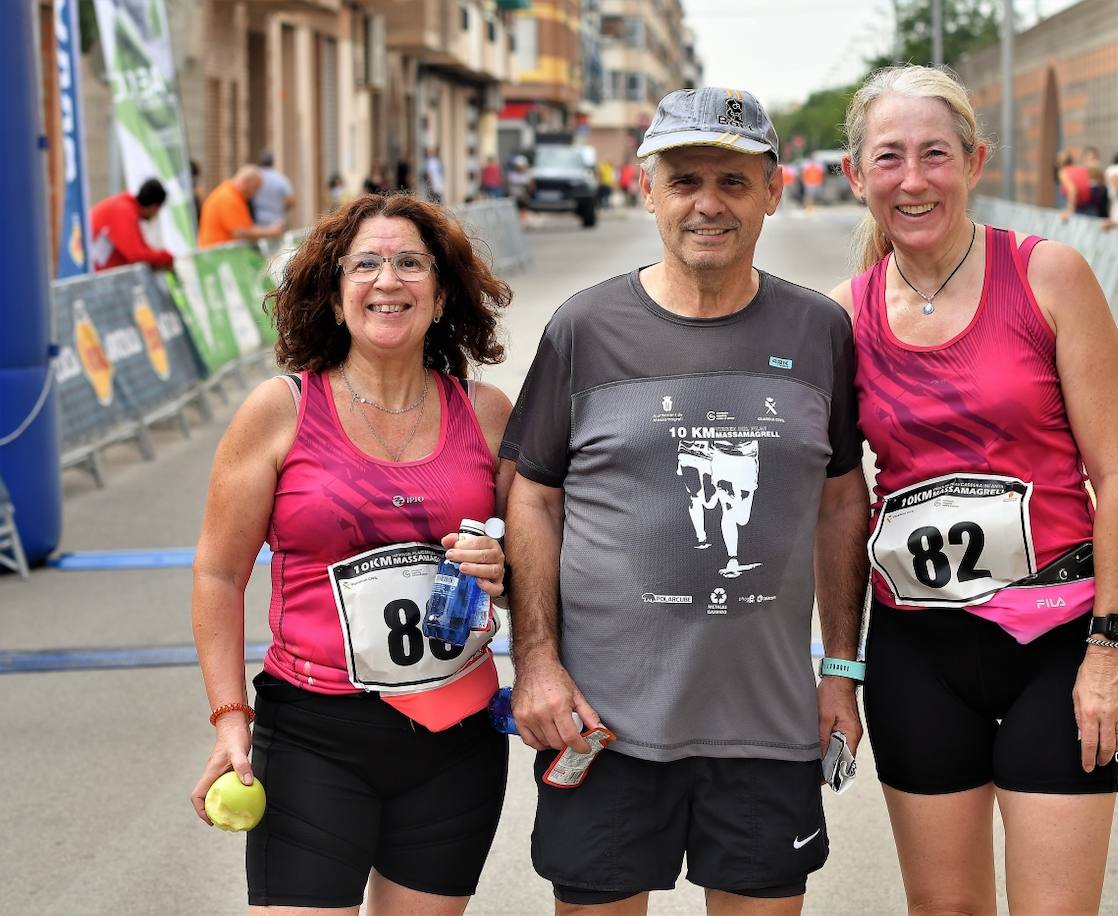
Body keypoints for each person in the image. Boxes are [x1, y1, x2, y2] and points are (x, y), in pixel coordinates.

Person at [502, 85, 869, 914]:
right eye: (686, 180)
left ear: (774, 193)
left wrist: (842, 671)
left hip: (768, 727)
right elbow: (533, 501)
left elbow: (844, 502)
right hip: (601, 727)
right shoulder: (583, 329)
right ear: (647, 190)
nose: (709, 204)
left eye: (734, 182)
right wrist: (535, 662)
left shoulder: (818, 333)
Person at [829, 65, 1118, 914]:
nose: (914, 179)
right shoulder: (842, 316)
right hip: (917, 652)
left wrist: (1111, 650)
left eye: (936, 154)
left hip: (1055, 644)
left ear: (974, 162)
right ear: (857, 177)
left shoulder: (1050, 277)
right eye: (889, 158)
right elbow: (835, 502)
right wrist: (838, 667)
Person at [189, 193, 515, 912]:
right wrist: (229, 717)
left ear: (441, 292)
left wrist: (506, 572)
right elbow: (218, 573)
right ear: (335, 298)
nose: (387, 280)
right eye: (364, 263)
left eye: (409, 263)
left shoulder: (488, 415)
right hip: (314, 733)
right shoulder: (280, 410)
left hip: (454, 735)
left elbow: (538, 567)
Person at [89, 178, 174, 271]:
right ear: (154, 207)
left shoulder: (125, 206)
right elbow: (135, 254)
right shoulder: (123, 210)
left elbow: (140, 247)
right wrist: (166, 258)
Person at [199, 165, 284, 247]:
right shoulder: (229, 197)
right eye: (255, 188)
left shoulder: (230, 194)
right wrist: (271, 232)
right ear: (245, 182)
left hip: (219, 252)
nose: (254, 194)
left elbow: (245, 227)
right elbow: (240, 232)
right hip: (217, 254)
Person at [252, 149, 296, 231]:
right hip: (276, 220)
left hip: (257, 219)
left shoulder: (255, 177)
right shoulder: (280, 178)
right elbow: (291, 200)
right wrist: (282, 209)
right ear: (272, 162)